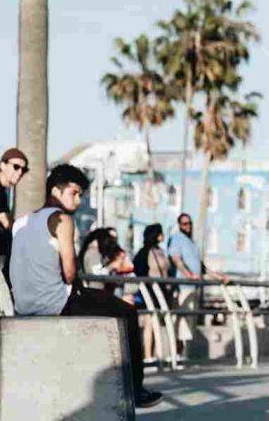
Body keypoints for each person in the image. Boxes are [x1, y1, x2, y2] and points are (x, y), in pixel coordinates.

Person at [10, 164, 161, 407]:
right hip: (56, 303)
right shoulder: (62, 219)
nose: (79, 200)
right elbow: (70, 273)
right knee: (128, 312)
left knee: (98, 303)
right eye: (74, 193)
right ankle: (136, 390)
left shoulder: (21, 222)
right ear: (56, 192)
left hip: (24, 304)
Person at [166, 213, 227, 349]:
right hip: (183, 286)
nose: (188, 226)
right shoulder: (177, 238)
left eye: (189, 223)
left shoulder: (192, 243)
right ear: (180, 225)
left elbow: (201, 267)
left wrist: (218, 277)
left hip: (193, 287)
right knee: (182, 319)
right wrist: (188, 274)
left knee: (190, 320)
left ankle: (185, 352)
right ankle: (178, 353)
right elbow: (176, 259)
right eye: (184, 224)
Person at [133, 223, 169, 362]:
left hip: (162, 290)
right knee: (149, 322)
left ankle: (156, 353)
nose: (162, 235)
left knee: (157, 322)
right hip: (150, 291)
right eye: (160, 232)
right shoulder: (145, 252)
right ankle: (148, 355)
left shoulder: (160, 251)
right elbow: (138, 270)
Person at [0, 147, 28, 276]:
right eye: (16, 167)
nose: (20, 172)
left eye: (24, 169)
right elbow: (6, 222)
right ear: (2, 165)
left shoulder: (2, 190)